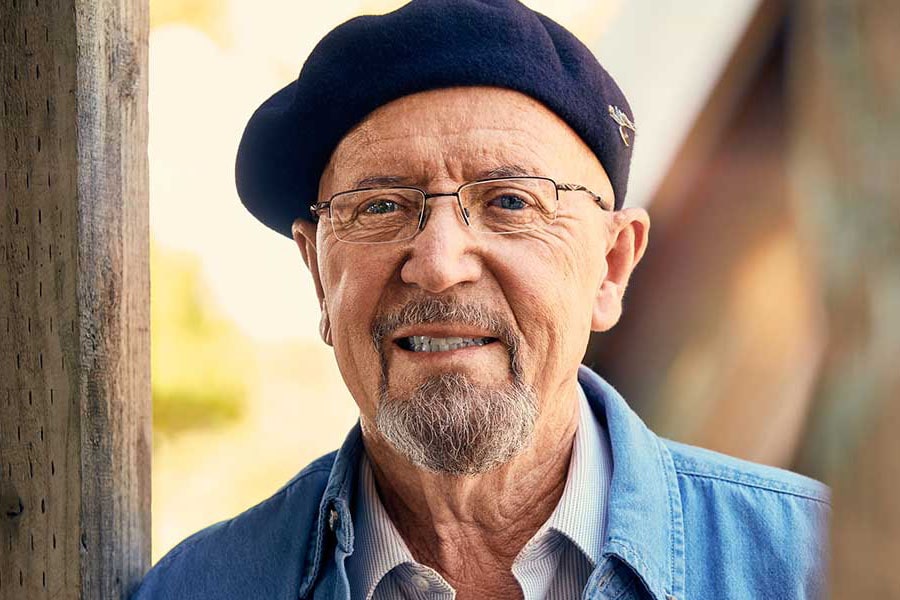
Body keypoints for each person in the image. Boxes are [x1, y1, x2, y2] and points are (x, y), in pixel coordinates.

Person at [134, 1, 829, 598]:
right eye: (380, 205)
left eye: (508, 202)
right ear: (318, 274)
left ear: (611, 266)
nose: (438, 265)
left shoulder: (818, 566)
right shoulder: (200, 586)